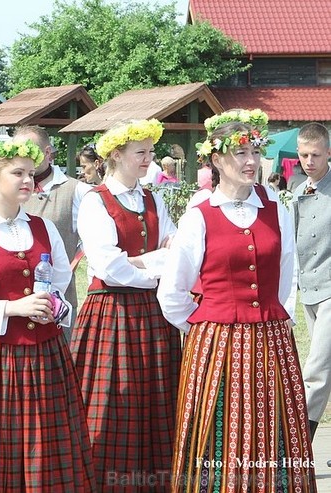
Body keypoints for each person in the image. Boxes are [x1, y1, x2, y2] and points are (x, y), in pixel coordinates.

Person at [158, 110, 316, 491]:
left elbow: (287, 273)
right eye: (240, 153)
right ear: (216, 160)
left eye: (254, 152)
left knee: (273, 425)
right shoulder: (198, 217)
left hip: (271, 338)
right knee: (221, 427)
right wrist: (208, 324)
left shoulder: (276, 210)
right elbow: (172, 292)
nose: (250, 162)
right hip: (217, 343)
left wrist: (276, 318)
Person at [0, 139, 97, 491]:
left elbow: (60, 283)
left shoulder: (43, 228)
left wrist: (52, 307)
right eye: (17, 173)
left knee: (49, 445)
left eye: (30, 173)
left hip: (46, 355)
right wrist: (13, 308)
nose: (28, 180)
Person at [70, 119, 180, 491]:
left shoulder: (153, 197)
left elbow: (176, 249)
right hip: (111, 313)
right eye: (141, 153)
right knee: (114, 400)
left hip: (153, 312)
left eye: (150, 152)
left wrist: (141, 262)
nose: (149, 159)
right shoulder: (94, 201)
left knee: (157, 397)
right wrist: (154, 265)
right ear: (116, 155)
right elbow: (109, 268)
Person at [13, 125, 91, 340]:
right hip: (13, 300)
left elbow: (91, 241)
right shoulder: (7, 189)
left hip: (56, 297)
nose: (22, 157)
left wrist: (68, 269)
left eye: (29, 151)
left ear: (47, 153)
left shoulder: (77, 191)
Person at [293, 122, 331, 441]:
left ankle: (298, 444)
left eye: (315, 154)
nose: (309, 161)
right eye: (304, 155)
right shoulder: (296, 192)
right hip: (308, 290)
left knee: (316, 369)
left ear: (328, 153)